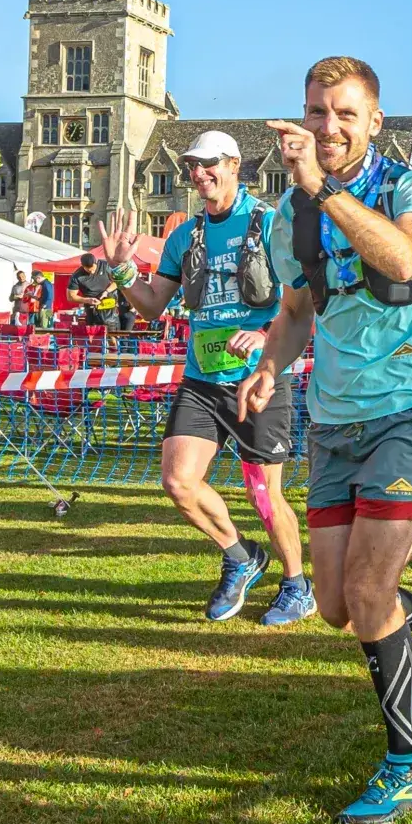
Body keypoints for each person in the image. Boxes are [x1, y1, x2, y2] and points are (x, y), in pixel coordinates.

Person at [240, 56, 412, 824]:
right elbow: (297, 308)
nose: (328, 126)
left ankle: (409, 768)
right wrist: (270, 366)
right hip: (336, 413)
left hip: (409, 403)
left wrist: (323, 187)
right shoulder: (294, 216)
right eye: (316, 111)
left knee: (374, 594)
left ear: (375, 121)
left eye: (345, 113)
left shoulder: (404, 186)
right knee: (339, 608)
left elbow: (407, 257)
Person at [98, 131, 315, 627]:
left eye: (208, 164)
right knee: (177, 480)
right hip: (201, 378)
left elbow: (302, 302)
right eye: (192, 166)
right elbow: (153, 306)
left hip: (258, 378)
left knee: (264, 494)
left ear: (235, 165)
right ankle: (240, 557)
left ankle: (297, 585)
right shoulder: (184, 235)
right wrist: (123, 271)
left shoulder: (269, 224)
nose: (198, 173)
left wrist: (264, 336)